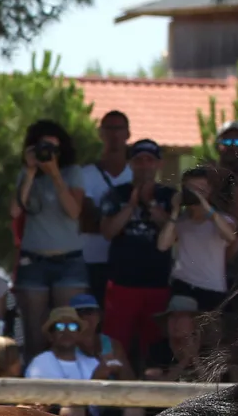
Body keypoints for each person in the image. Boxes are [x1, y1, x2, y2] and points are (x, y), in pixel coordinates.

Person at [98, 139, 173, 369]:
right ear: (131, 164)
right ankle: (110, 395)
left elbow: (176, 234)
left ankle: (148, 397)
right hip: (121, 284)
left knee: (153, 346)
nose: (144, 165)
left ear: (159, 164)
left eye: (150, 160)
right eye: (139, 160)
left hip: (158, 284)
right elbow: (108, 232)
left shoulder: (170, 196)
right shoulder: (115, 194)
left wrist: (152, 206)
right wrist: (130, 206)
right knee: (113, 341)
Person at [12, 119, 87, 341]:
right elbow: (15, 211)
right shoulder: (26, 175)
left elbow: (74, 211)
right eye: (44, 148)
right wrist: (31, 172)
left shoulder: (72, 172)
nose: (49, 154)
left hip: (69, 263)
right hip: (33, 261)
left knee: (68, 332)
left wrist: (55, 175)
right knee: (34, 334)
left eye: (54, 149)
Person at [159, 163, 237, 312]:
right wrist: (175, 211)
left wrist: (206, 207)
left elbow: (230, 236)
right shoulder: (181, 221)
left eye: (201, 190)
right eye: (190, 190)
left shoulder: (222, 219)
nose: (195, 195)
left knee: (208, 334)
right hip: (183, 285)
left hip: (212, 289)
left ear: (210, 192)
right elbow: (162, 245)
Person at [76, 110, 132, 304]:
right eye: (109, 129)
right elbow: (84, 220)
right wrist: (122, 222)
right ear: (101, 134)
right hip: (90, 261)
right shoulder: (85, 174)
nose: (114, 134)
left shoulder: (136, 176)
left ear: (128, 133)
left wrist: (107, 221)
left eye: (119, 128)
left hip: (126, 265)